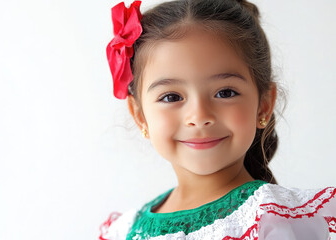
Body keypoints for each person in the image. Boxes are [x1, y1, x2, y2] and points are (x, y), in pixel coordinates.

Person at [100, 0, 336, 239]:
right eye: (171, 96)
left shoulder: (276, 220)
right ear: (140, 116)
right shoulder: (123, 230)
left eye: (225, 93)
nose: (199, 117)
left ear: (263, 104)